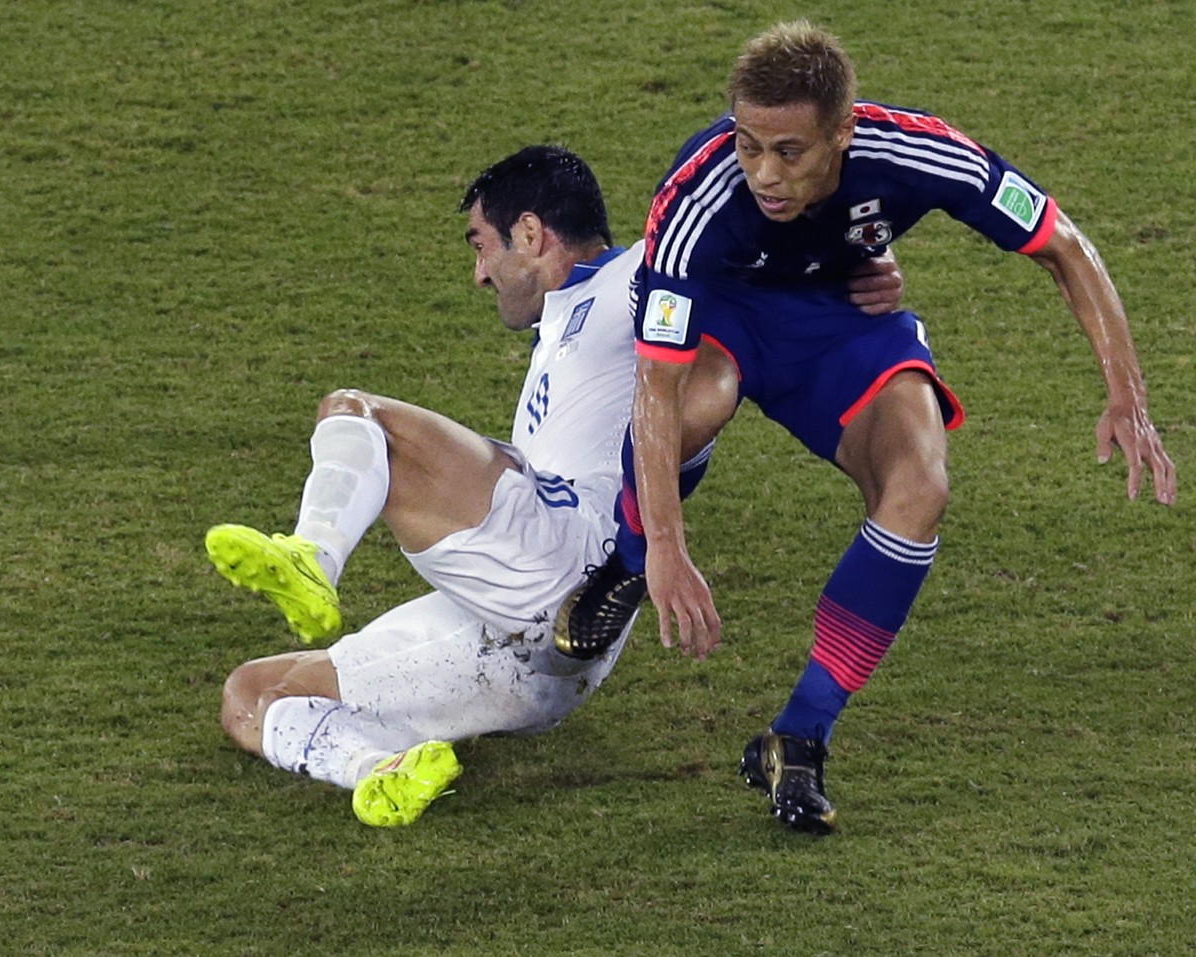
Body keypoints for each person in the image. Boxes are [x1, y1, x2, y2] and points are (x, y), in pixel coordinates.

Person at [560, 20, 1177, 835]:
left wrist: (1126, 395)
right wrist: (668, 549)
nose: (763, 174)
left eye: (789, 151)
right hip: (727, 321)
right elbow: (656, 387)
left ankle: (800, 735)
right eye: (748, 144)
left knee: (921, 486)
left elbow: (1063, 244)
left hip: (843, 324)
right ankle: (628, 560)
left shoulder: (920, 153)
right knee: (696, 406)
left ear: (844, 131)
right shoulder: (697, 197)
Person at [206, 145, 904, 827]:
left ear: (532, 233)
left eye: (482, 245)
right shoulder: (565, 320)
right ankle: (376, 772)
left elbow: (754, 216)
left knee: (355, 414)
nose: (480, 273)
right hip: (544, 661)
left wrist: (862, 257)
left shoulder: (636, 277)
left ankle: (311, 556)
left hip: (559, 558)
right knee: (250, 694)